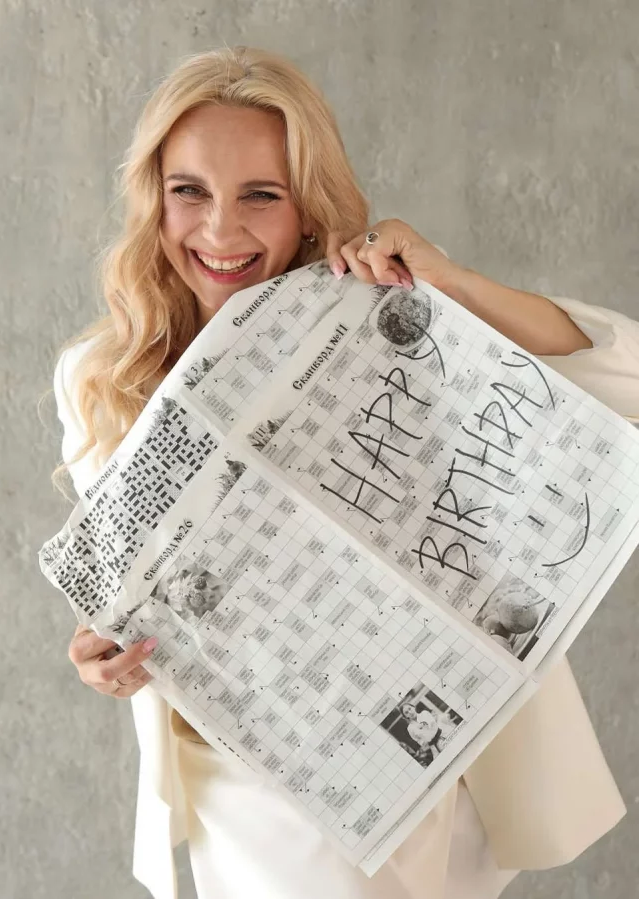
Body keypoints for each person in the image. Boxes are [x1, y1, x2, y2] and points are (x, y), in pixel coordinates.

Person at [52, 46, 639, 899]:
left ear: (305, 206)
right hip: (235, 777)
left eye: (261, 194)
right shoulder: (98, 381)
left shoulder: (379, 310)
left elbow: (626, 377)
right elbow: (126, 597)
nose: (220, 230)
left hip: (408, 763)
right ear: (154, 198)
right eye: (190, 191)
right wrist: (101, 657)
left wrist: (450, 283)